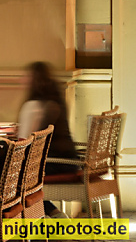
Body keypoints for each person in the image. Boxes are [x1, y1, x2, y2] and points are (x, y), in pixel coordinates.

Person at [18, 62, 79, 217]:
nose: (22, 79)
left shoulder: (33, 106)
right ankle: (55, 214)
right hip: (69, 162)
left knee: (12, 179)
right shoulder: (55, 102)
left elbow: (24, 141)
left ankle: (48, 216)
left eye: (27, 76)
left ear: (34, 80)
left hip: (52, 164)